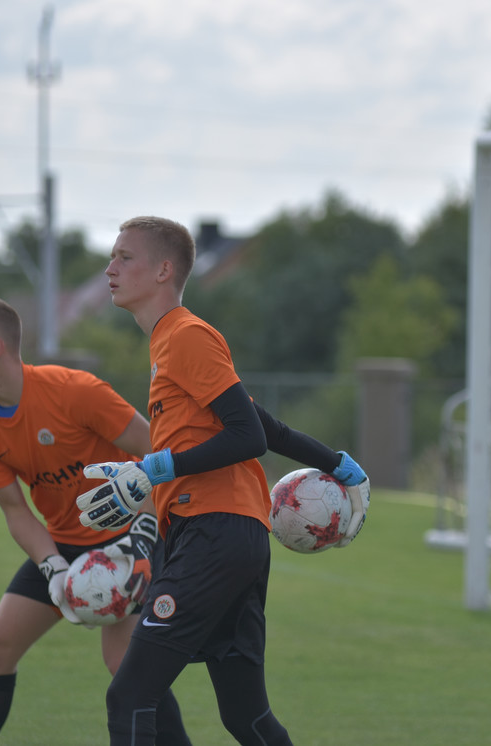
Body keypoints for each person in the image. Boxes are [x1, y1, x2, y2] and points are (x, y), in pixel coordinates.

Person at [75, 216, 369, 746]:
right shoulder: (170, 342)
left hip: (215, 534)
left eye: (124, 258)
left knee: (130, 695)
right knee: (244, 715)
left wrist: (154, 469)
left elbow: (246, 437)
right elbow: (265, 425)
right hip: (221, 535)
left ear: (164, 270)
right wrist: (340, 465)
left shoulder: (186, 334)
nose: (109, 268)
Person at [0, 297, 190, 746]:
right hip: (64, 546)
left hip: (131, 537)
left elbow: (161, 456)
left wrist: (143, 534)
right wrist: (53, 568)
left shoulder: (74, 391)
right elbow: (16, 511)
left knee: (124, 665)